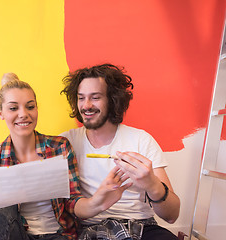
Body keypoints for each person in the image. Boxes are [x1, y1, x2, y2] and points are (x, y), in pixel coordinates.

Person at [0, 73, 132, 240]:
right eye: (13, 108)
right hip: (15, 234)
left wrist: (98, 201)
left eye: (30, 106)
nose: (23, 114)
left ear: (37, 109)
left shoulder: (59, 147)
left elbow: (72, 202)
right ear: (1, 112)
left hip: (59, 234)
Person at [60, 63, 181, 240]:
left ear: (113, 99)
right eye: (81, 98)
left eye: (95, 97)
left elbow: (172, 215)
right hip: (92, 230)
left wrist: (152, 184)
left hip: (143, 227)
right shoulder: (65, 143)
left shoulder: (141, 140)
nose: (86, 105)